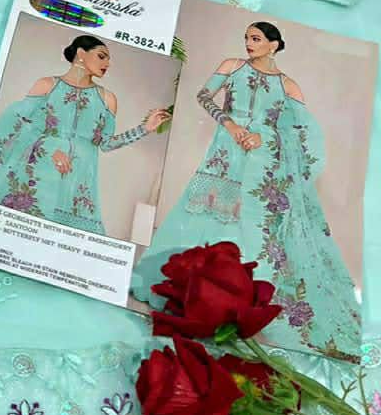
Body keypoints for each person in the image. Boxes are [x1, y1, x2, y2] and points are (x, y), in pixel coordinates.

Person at [133, 22, 359, 359]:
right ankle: (191, 292)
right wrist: (230, 124)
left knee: (248, 226)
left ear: (274, 45)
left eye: (256, 39)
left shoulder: (288, 86)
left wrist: (264, 138)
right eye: (247, 38)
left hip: (260, 162)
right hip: (225, 150)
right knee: (206, 212)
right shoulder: (233, 66)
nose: (249, 44)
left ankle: (231, 300)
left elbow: (300, 135)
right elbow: (203, 96)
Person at [0, 35, 170, 235]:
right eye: (102, 56)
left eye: (109, 59)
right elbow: (17, 126)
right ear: (81, 53)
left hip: (77, 183)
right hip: (37, 176)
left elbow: (106, 144)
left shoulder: (107, 99)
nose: (108, 64)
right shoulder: (47, 85)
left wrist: (144, 129)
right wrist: (50, 149)